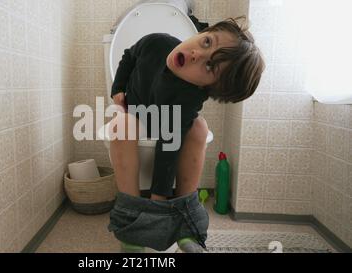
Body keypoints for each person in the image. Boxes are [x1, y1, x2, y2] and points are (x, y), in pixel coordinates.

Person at [107, 17, 265, 253]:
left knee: (199, 128)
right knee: (120, 125)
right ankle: (132, 231)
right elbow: (129, 56)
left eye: (210, 67)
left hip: (169, 124)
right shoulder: (156, 43)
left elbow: (169, 148)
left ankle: (185, 223)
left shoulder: (188, 98)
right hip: (137, 113)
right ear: (204, 32)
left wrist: (159, 199)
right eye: (207, 42)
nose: (196, 55)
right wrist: (118, 89)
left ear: (207, 88)